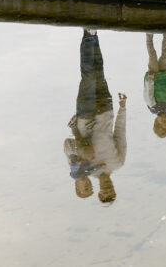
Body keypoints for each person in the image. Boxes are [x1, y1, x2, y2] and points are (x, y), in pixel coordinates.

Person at [64, 28, 127, 203]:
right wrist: (123, 109)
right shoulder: (118, 163)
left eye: (104, 192)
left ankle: (89, 34)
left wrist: (82, 149)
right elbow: (120, 134)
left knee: (88, 77)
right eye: (111, 191)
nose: (107, 189)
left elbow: (67, 145)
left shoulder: (85, 171)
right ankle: (93, 34)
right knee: (99, 70)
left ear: (99, 192)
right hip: (106, 109)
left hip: (86, 116)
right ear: (113, 188)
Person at [143, 33, 166, 139]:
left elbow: (148, 92)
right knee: (165, 56)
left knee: (152, 55)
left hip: (154, 76)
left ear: (156, 121)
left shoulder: (153, 106)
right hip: (163, 76)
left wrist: (150, 79)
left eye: (163, 121)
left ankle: (149, 35)